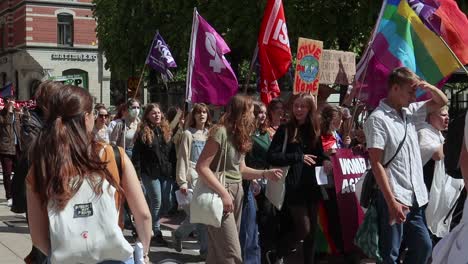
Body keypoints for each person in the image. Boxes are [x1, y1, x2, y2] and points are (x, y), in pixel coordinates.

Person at [26, 85, 152, 264]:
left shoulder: (41, 166)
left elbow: (38, 238)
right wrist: (144, 252)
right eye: (94, 113)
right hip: (114, 257)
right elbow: (144, 216)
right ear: (86, 118)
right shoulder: (114, 156)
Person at [363, 67, 448, 264]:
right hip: (394, 196)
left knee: (423, 246)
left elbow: (441, 102)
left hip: (415, 197)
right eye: (411, 92)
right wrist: (392, 202)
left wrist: (427, 86)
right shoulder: (378, 119)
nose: (414, 97)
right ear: (394, 89)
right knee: (390, 254)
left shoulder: (410, 112)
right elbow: (376, 164)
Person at [196, 94, 282, 264]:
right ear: (240, 112)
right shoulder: (220, 132)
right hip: (221, 192)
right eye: (251, 112)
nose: (254, 116)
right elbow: (201, 167)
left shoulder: (240, 135)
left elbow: (241, 170)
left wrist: (265, 174)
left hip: (238, 192)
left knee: (216, 253)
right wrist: (223, 194)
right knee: (232, 254)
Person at [267, 92, 328, 264]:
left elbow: (319, 155)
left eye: (303, 106)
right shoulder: (285, 130)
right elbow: (272, 156)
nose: (299, 109)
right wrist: (298, 157)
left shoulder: (314, 130)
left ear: (310, 109)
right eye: (296, 106)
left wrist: (327, 161)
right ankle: (277, 253)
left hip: (312, 186)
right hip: (294, 187)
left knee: (312, 232)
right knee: (303, 229)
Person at [132, 103, 175, 246]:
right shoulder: (143, 132)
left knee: (167, 202)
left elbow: (172, 153)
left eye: (158, 112)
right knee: (157, 201)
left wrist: (174, 172)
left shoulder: (167, 130)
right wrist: (137, 177)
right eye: (153, 113)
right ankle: (155, 232)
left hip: (166, 172)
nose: (157, 115)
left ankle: (143, 224)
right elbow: (136, 156)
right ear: (148, 116)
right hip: (150, 173)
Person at [173, 103, 211, 258]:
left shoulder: (210, 134)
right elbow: (182, 157)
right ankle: (204, 250)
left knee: (202, 215)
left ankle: (179, 234)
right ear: (193, 116)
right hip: (192, 177)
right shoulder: (189, 134)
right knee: (198, 215)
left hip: (207, 178)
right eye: (198, 112)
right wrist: (182, 181)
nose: (201, 115)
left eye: (204, 112)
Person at [241, 101, 269, 264]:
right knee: (249, 228)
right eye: (257, 112)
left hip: (266, 180)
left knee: (263, 223)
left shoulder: (265, 133)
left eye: (264, 112)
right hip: (249, 182)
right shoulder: (244, 134)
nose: (261, 115)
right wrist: (253, 179)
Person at [0, 95, 22, 207]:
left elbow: (21, 128)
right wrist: (8, 111)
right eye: (10, 102)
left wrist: (24, 115)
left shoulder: (17, 113)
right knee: (7, 173)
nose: (13, 104)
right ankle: (9, 196)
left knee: (20, 172)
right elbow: (6, 123)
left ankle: (17, 193)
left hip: (18, 147)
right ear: (5, 102)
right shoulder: (2, 114)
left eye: (13, 101)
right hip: (6, 148)